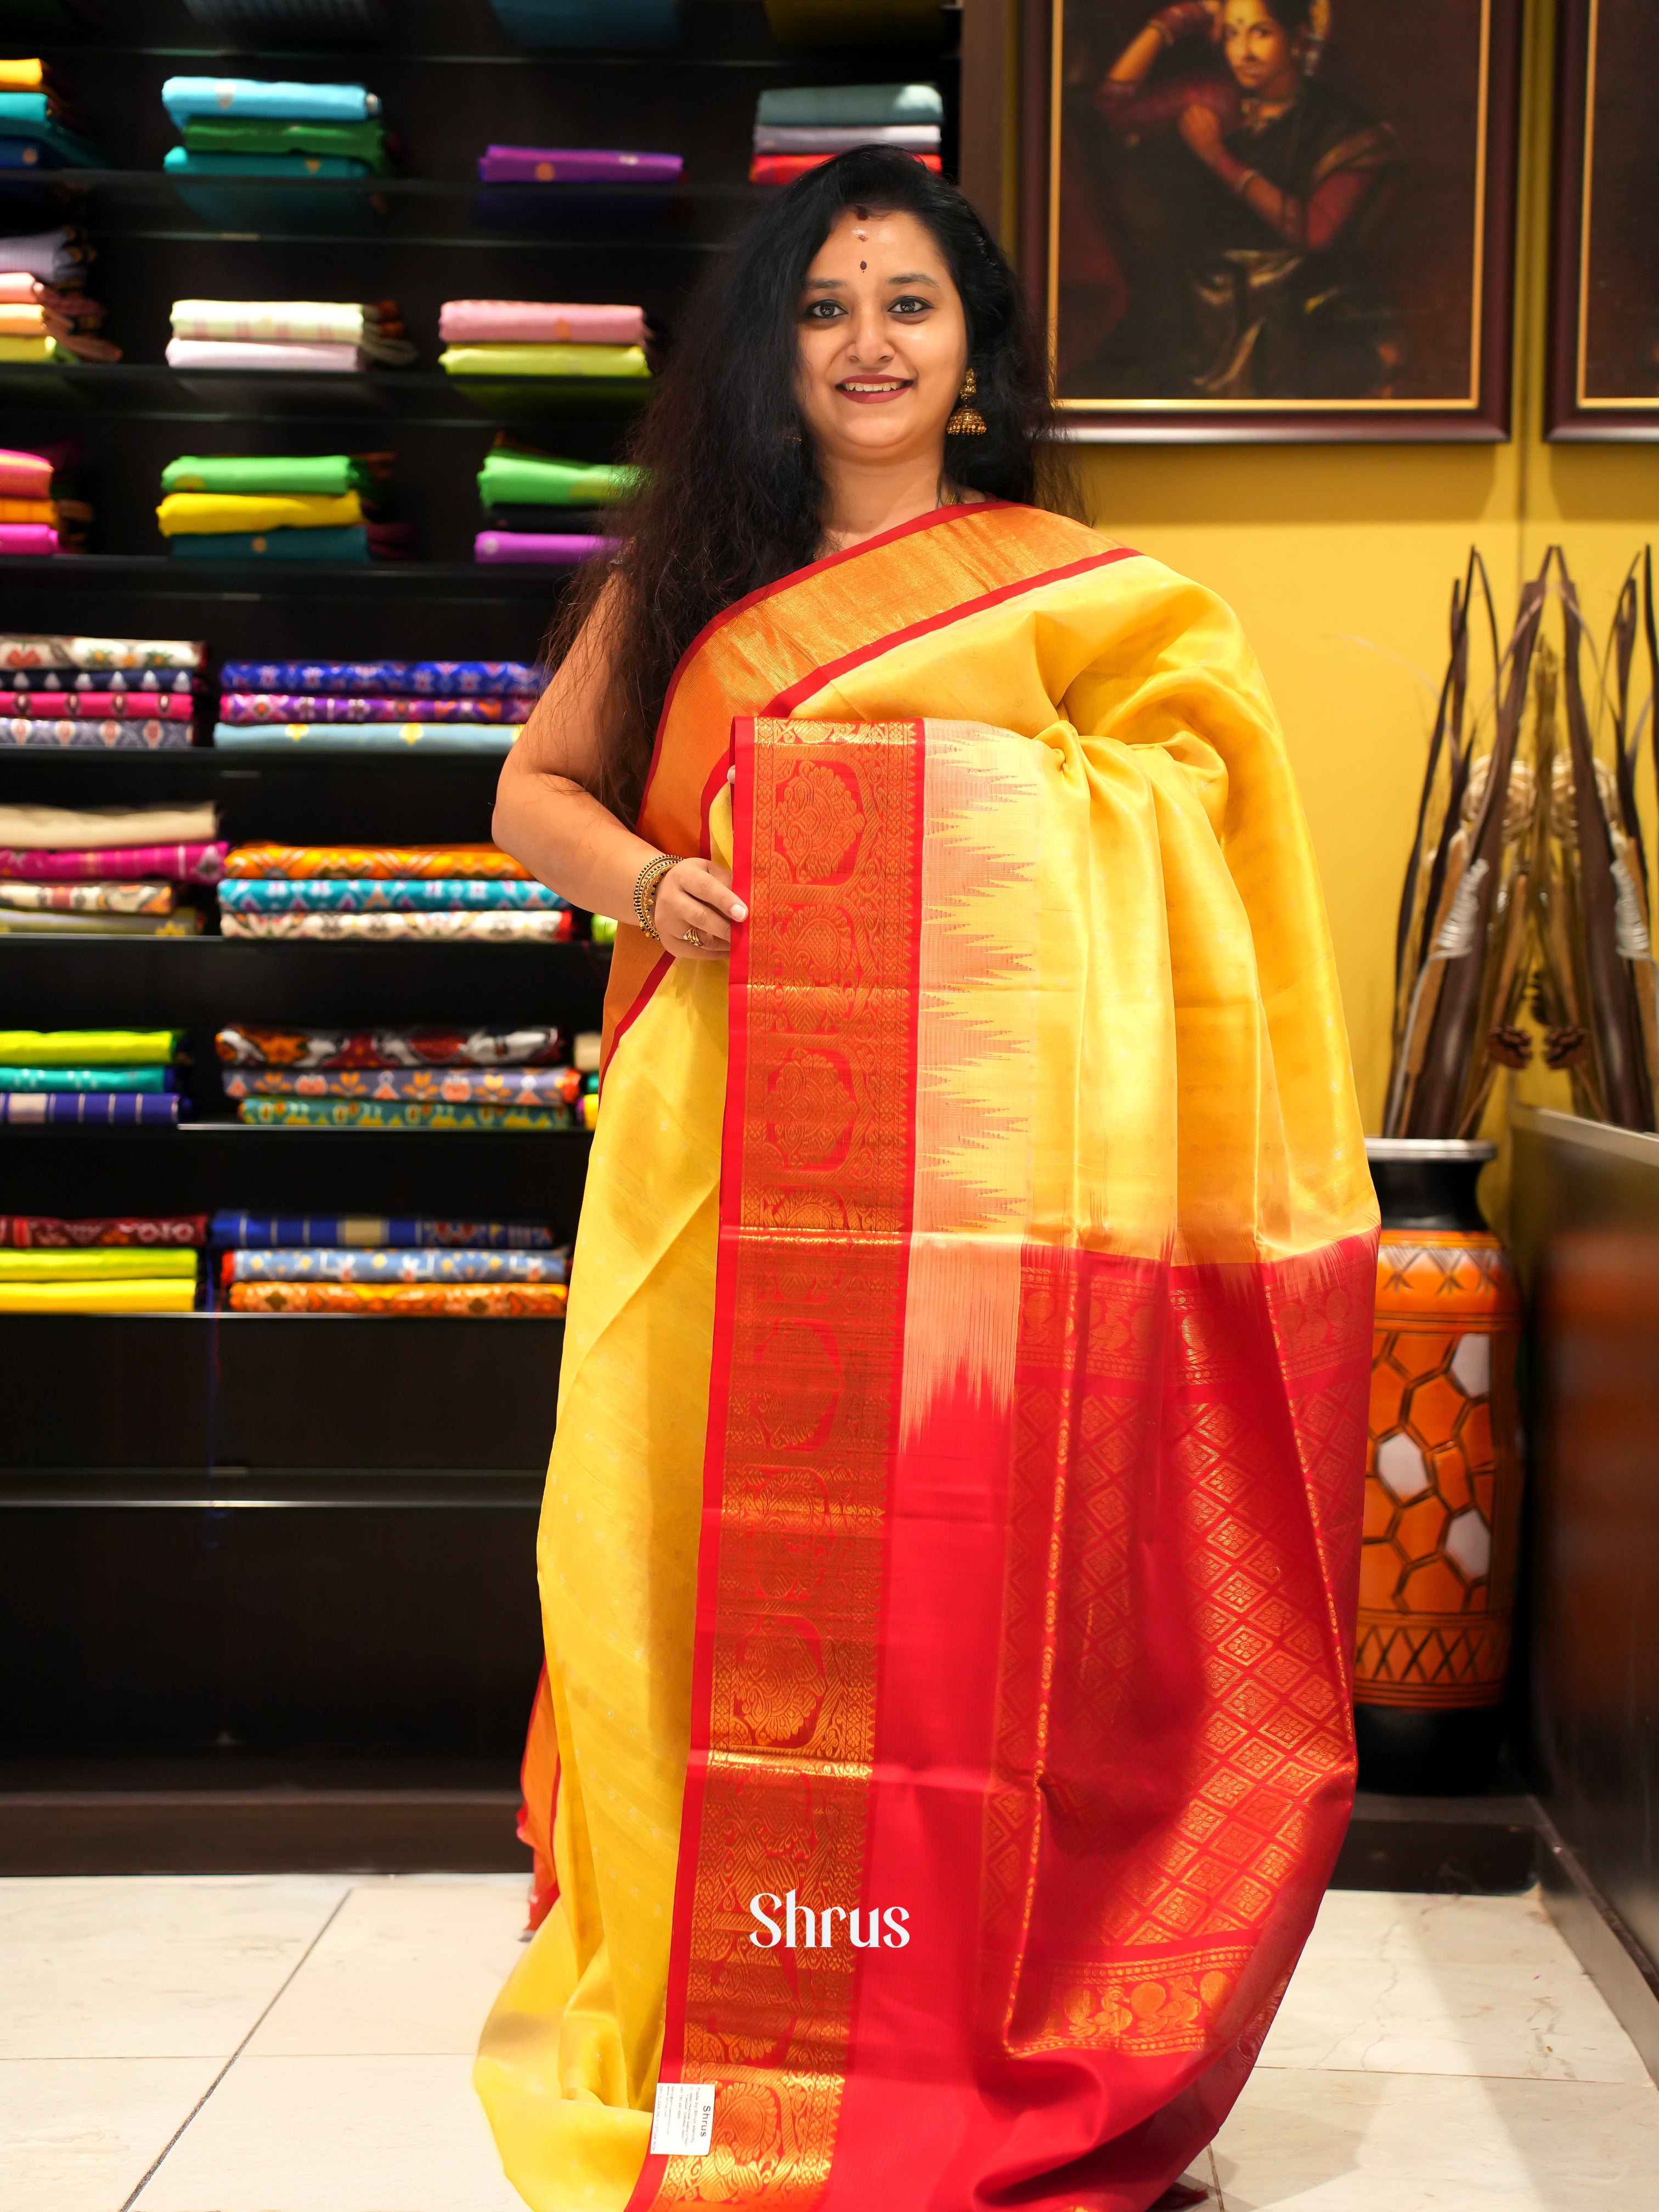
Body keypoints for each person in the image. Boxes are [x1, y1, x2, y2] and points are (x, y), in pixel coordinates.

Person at [475, 145, 1377, 2212]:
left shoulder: (1064, 583)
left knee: (986, 1602)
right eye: (819, 308)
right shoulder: (699, 577)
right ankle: (756, 2032)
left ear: (969, 356)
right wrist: (658, 875)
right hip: (727, 1169)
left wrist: (961, 809)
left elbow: (1180, 810)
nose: (863, 344)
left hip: (998, 1201)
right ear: (767, 357)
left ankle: (975, 2021)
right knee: (724, 1581)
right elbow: (532, 790)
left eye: (905, 305)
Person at [1068, 0, 1400, 398]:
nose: (1242, 52)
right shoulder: (1214, 96)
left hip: (1299, 306)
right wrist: (1166, 25)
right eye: (1232, 34)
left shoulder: (1345, 128)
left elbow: (1312, 231)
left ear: (1296, 39)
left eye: (1260, 33)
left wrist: (1218, 158)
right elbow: (1109, 109)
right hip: (1202, 307)